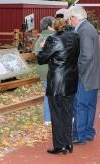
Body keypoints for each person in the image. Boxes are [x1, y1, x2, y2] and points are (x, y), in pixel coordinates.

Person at [37, 18, 79, 155]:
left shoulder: (53, 39)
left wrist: (43, 46)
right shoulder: (76, 36)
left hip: (57, 82)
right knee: (68, 113)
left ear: (55, 27)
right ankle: (68, 143)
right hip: (71, 80)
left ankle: (60, 145)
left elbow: (41, 59)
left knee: (57, 114)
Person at [68, 6, 100, 144]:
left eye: (70, 18)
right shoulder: (89, 27)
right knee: (89, 105)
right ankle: (88, 132)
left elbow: (86, 55)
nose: (69, 21)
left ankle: (79, 135)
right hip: (92, 75)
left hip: (85, 75)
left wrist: (76, 70)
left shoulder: (83, 31)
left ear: (74, 18)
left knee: (80, 105)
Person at [33, 16, 56, 125]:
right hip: (52, 69)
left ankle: (47, 118)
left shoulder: (41, 37)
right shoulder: (54, 36)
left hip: (42, 69)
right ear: (50, 26)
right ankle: (50, 117)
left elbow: (36, 52)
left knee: (48, 93)